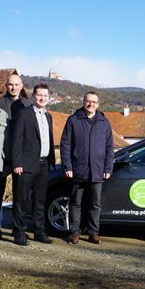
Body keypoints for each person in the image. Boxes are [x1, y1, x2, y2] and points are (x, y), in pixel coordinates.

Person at [60, 91, 114, 245]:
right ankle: (74, 233)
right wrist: (67, 166)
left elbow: (110, 147)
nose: (91, 104)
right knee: (75, 203)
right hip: (78, 169)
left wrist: (108, 168)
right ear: (83, 102)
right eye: (88, 101)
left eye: (94, 102)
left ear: (98, 104)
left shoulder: (104, 122)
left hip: (97, 171)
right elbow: (65, 145)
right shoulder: (73, 120)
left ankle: (93, 233)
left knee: (95, 204)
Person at [11, 83, 55, 246]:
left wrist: (52, 161)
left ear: (48, 98)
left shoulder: (48, 116)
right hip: (26, 164)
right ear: (33, 96)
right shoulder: (24, 114)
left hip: (44, 165)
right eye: (39, 95)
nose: (42, 98)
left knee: (40, 200)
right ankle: (19, 232)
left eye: (45, 96)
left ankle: (39, 231)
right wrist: (17, 162)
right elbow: (17, 140)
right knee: (21, 200)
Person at [0, 74, 30, 239]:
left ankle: (18, 230)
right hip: (1, 156)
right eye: (10, 84)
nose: (13, 87)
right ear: (6, 85)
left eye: (16, 84)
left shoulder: (27, 104)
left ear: (21, 85)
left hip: (21, 157)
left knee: (19, 196)